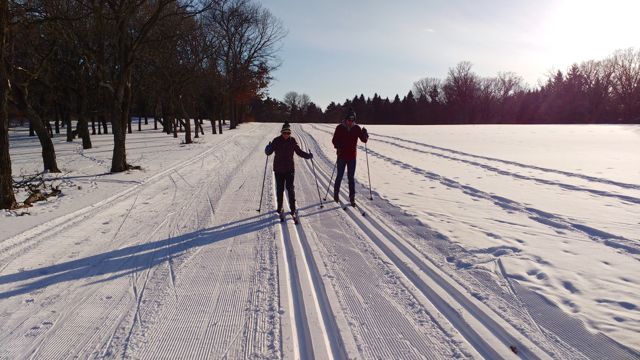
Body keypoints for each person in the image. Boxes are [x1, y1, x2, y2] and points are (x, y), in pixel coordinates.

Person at [265, 122, 313, 215]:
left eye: (288, 133)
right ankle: (279, 207)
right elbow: (269, 152)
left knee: (290, 188)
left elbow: (299, 152)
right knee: (280, 188)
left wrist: (308, 156)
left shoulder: (292, 141)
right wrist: (267, 149)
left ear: (290, 133)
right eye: (284, 133)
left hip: (289, 169)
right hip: (278, 169)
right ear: (281, 132)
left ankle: (293, 208)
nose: (286, 135)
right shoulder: (276, 140)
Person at [332, 108, 368, 206]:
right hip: (341, 156)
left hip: (352, 157)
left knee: (351, 178)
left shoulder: (357, 128)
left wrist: (365, 134)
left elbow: (363, 140)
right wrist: (338, 146)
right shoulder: (339, 127)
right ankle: (336, 194)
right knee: (339, 176)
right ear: (346, 119)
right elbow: (334, 140)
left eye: (352, 120)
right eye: (349, 120)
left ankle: (352, 198)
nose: (350, 122)